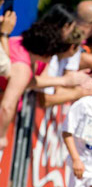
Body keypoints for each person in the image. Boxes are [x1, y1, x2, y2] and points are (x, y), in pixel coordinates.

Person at [0, 21, 81, 149]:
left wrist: (64, 81)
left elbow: (27, 82)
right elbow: (6, 107)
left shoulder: (16, 42)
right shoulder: (23, 69)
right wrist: (2, 136)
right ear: (47, 52)